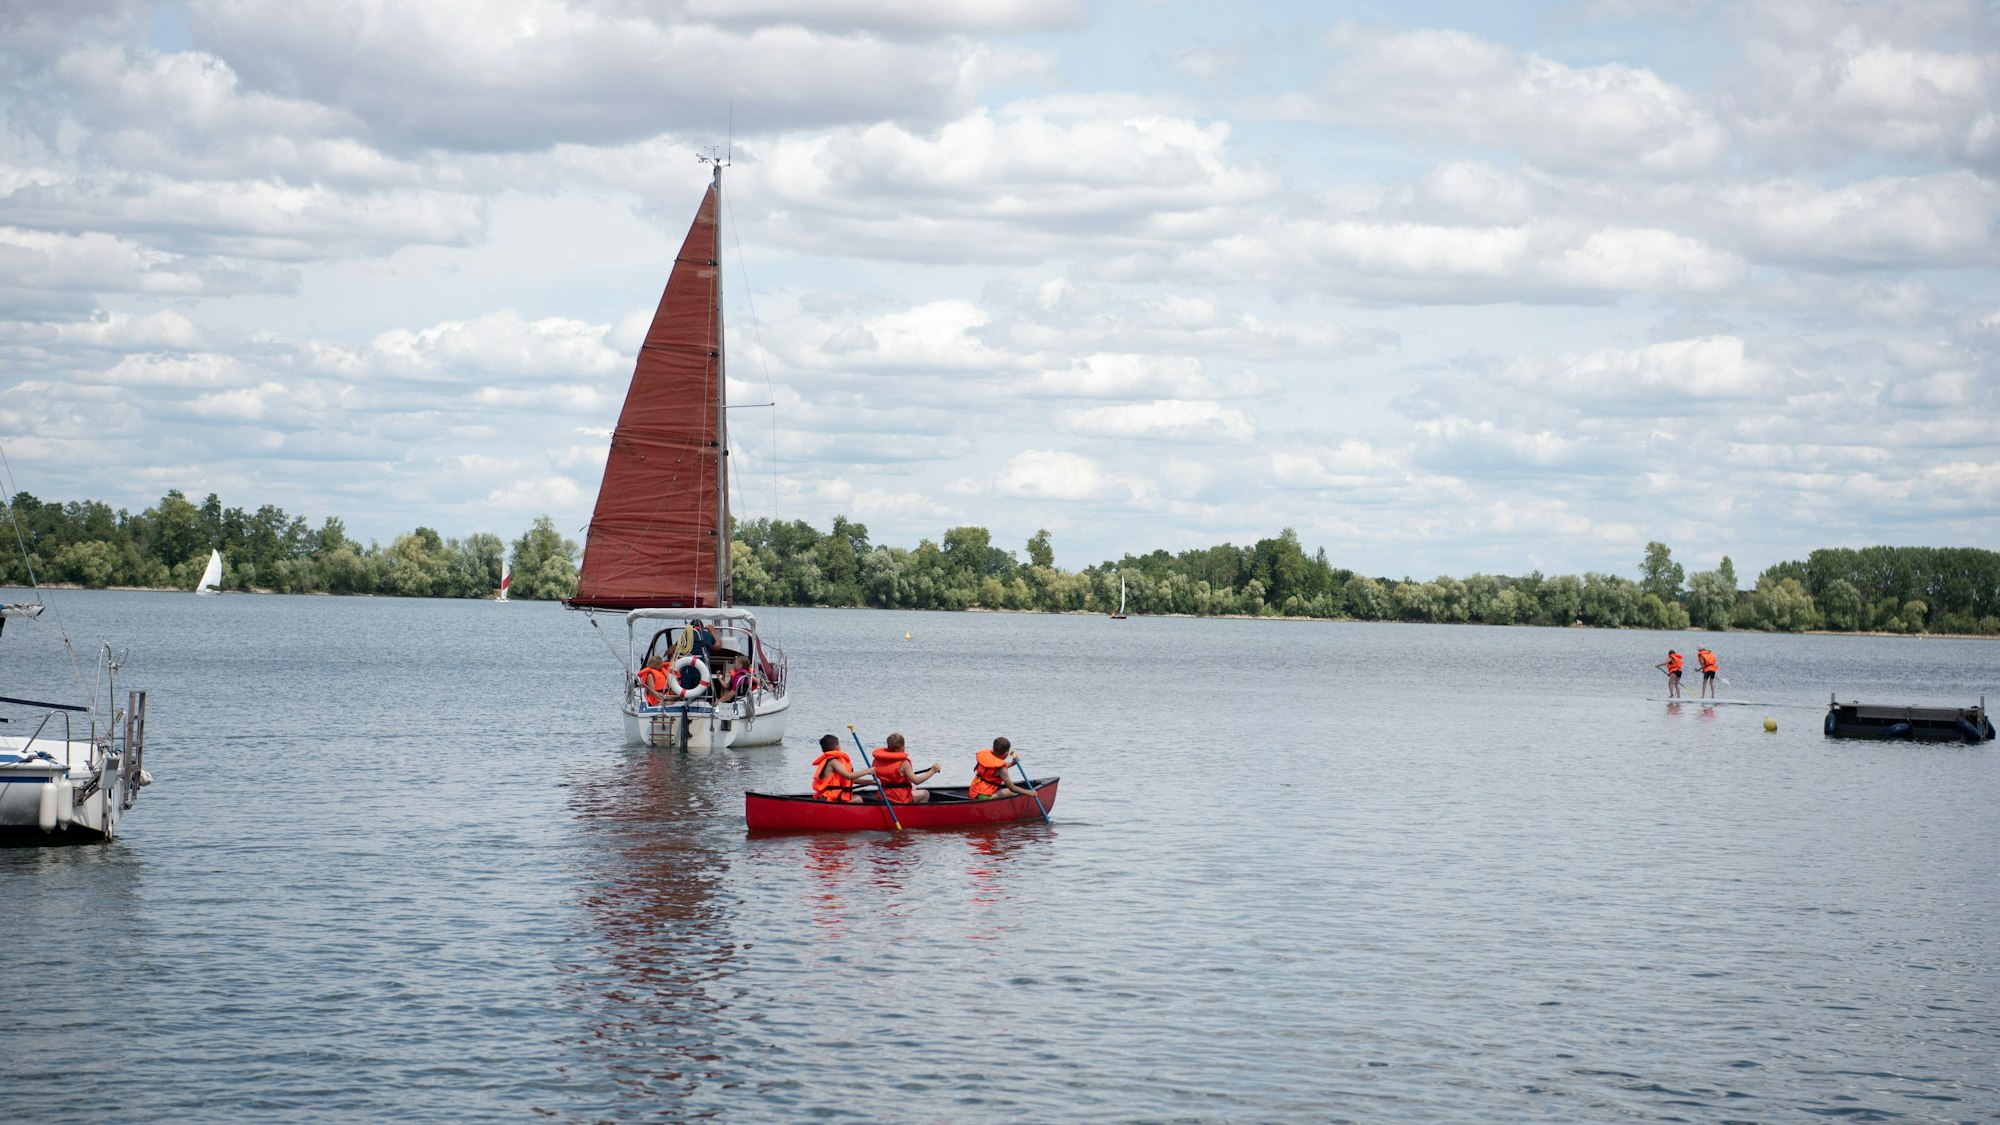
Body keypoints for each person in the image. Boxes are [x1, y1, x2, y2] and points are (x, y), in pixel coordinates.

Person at [872, 733, 941, 804]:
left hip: (882, 794)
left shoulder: (877, 760)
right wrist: (933, 771)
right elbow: (917, 781)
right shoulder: (904, 763)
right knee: (925, 794)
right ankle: (914, 813)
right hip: (898, 797)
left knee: (913, 788)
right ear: (902, 747)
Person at [811, 734, 873, 803]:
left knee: (857, 797)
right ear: (837, 747)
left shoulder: (829, 760)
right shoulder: (833, 762)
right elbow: (848, 776)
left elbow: (850, 780)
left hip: (828, 796)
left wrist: (870, 782)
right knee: (858, 799)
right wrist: (868, 771)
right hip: (829, 798)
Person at [968, 736, 1035, 800]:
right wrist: (1029, 793)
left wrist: (1012, 763)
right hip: (983, 797)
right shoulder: (1002, 770)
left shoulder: (986, 759)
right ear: (1006, 753)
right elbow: (1012, 788)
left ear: (993, 748)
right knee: (1009, 791)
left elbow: (993, 769)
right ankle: (992, 798)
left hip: (973, 792)